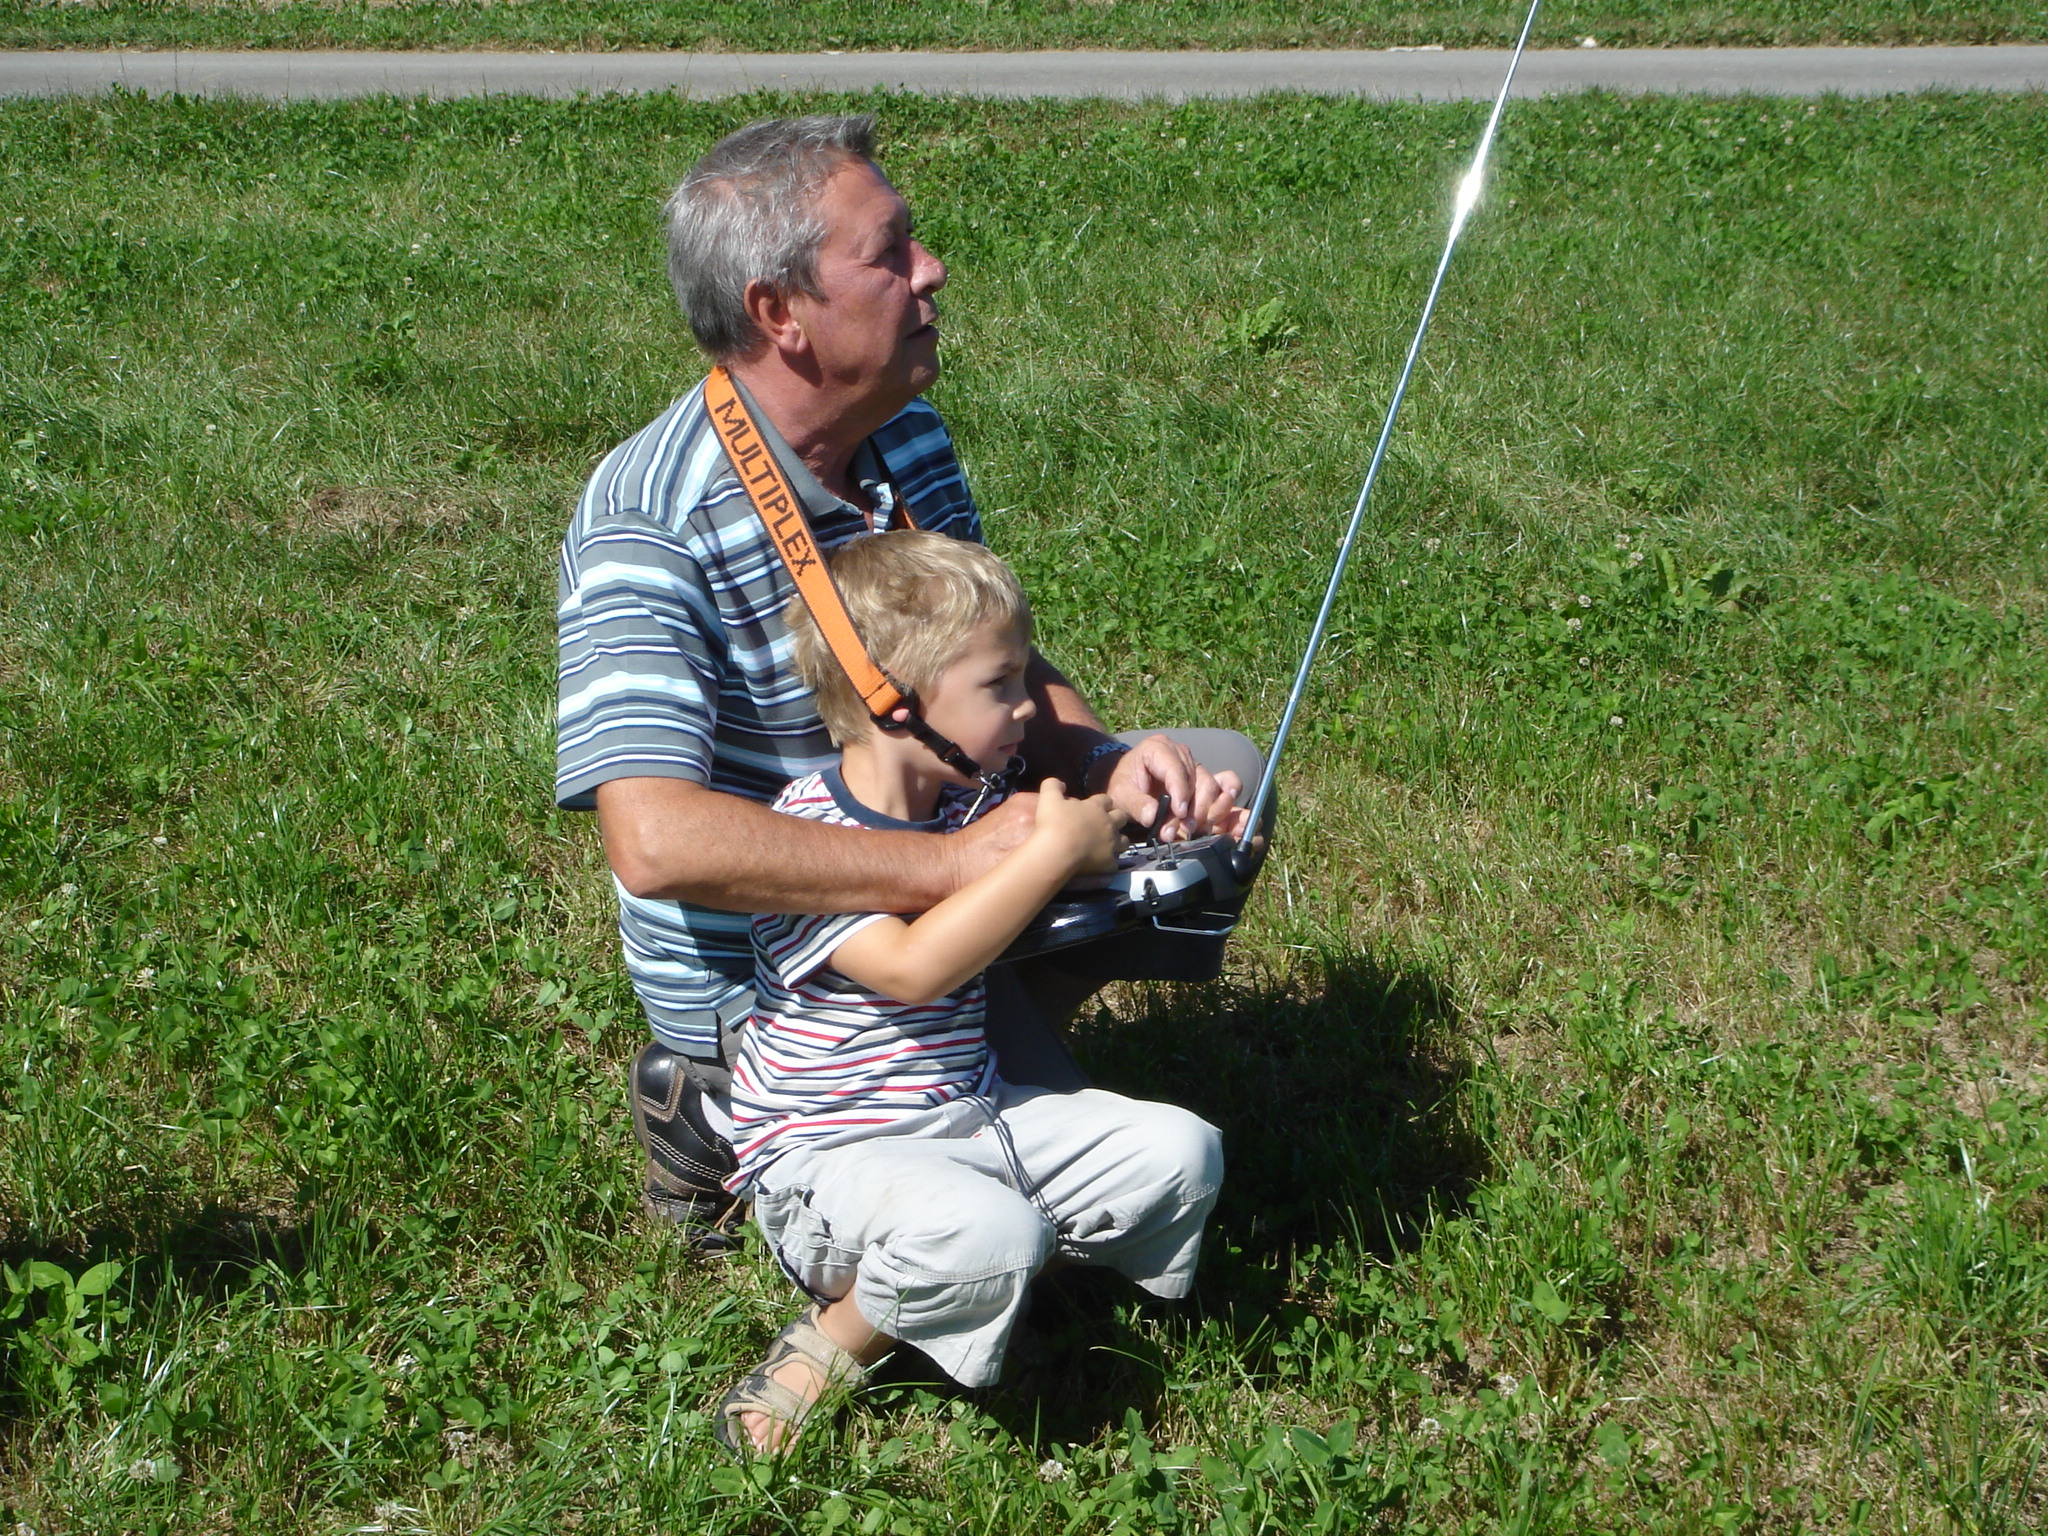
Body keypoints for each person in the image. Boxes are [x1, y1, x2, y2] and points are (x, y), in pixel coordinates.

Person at [555, 113, 1264, 1245]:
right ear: (777, 314)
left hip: (948, 842)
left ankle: (1003, 1023)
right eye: (887, 254)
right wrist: (954, 866)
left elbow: (994, 663)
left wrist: (1098, 760)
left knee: (1219, 777)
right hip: (791, 972)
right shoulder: (650, 519)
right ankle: (718, 1101)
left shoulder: (908, 438)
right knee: (1030, 1242)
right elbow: (655, 841)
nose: (930, 271)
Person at [715, 530, 1233, 1454]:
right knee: (982, 1231)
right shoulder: (808, 839)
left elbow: (1078, 842)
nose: (1031, 707)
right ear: (896, 703)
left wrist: (1179, 830)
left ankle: (989, 1268)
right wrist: (1049, 854)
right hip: (830, 1160)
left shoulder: (977, 810)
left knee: (1181, 1151)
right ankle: (830, 1345)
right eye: (1000, 686)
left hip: (974, 1116)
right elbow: (917, 970)